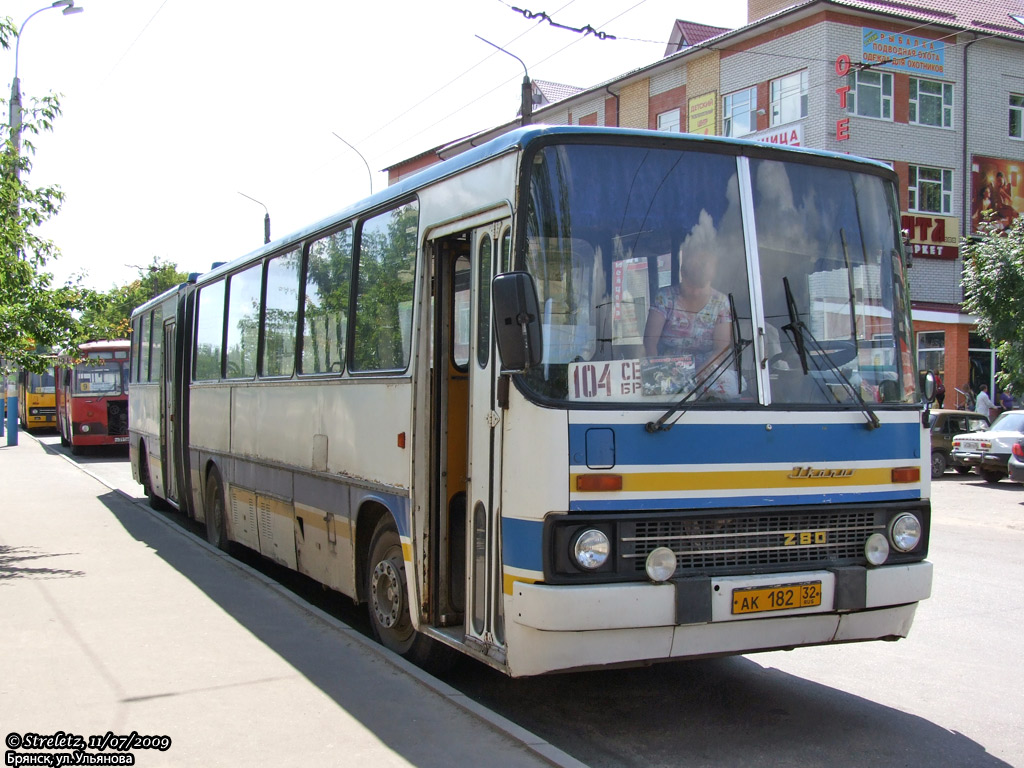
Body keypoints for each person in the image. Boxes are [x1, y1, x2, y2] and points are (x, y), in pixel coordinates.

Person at [643, 244, 734, 396]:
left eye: (706, 263)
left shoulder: (721, 302)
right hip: (667, 375)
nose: (701, 266)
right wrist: (659, 374)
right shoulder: (665, 297)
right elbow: (650, 342)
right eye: (696, 262)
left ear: (713, 273)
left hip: (709, 376)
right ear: (683, 271)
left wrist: (698, 377)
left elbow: (722, 348)